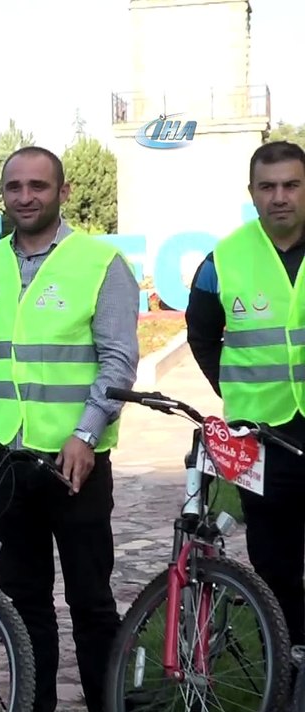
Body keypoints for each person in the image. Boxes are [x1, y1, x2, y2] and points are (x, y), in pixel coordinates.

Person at [0, 146, 139, 712]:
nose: (25, 197)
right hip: (4, 464)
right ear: (3, 194)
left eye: (38, 186)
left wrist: (85, 434)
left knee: (91, 602)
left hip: (72, 463)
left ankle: (107, 708)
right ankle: (35, 710)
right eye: (14, 187)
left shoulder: (101, 263)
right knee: (25, 605)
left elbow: (118, 362)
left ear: (63, 192)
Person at [186, 140, 305, 650]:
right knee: (275, 568)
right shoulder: (223, 260)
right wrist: (233, 388)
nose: (280, 197)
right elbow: (200, 335)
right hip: (262, 438)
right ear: (252, 192)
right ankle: (290, 664)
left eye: (292, 185)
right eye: (268, 186)